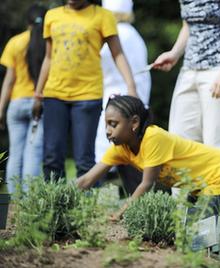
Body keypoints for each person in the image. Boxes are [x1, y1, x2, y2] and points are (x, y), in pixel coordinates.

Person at [77, 95, 220, 221]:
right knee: (191, 229)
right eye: (106, 124)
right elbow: (87, 180)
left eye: (113, 124)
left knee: (204, 233)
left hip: (218, 172)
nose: (107, 131)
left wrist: (120, 213)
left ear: (134, 123)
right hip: (196, 186)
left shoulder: (153, 137)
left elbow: (147, 184)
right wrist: (61, 197)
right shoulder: (120, 148)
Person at [32, 0, 138, 181]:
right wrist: (38, 94)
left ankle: (85, 208)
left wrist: (131, 86)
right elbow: (49, 58)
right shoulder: (52, 16)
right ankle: (52, 207)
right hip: (54, 95)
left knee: (84, 160)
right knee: (52, 157)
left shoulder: (103, 16)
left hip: (87, 96)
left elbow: (117, 53)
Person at [153, 0, 220, 155]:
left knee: (216, 145)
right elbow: (189, 25)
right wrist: (174, 53)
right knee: (180, 142)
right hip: (189, 69)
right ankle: (186, 180)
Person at [95, 0, 152, 194]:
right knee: (130, 158)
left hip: (114, 103)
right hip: (136, 103)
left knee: (106, 154)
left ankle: (99, 196)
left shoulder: (113, 35)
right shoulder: (136, 36)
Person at [0, 4, 47, 193]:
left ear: (27, 21)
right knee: (33, 154)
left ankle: (13, 200)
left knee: (15, 153)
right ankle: (29, 201)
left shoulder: (15, 42)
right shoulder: (48, 43)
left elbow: (9, 80)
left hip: (17, 103)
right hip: (39, 103)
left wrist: (1, 108)